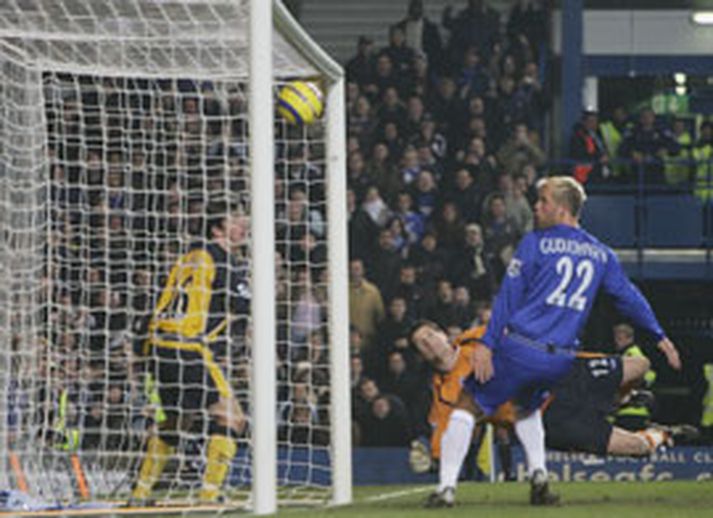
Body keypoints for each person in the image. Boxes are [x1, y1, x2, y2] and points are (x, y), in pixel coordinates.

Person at [414, 176, 681, 507]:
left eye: (542, 201)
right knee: (527, 407)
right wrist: (660, 335)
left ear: (563, 208)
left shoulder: (536, 243)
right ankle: (540, 478)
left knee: (467, 404)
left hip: (522, 346)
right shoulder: (600, 253)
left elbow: (508, 298)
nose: (536, 207)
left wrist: (487, 343)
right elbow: (629, 298)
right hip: (559, 360)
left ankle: (446, 491)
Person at [408, 321, 684, 493]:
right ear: (420, 355)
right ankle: (663, 435)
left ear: (445, 334)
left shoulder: (478, 337)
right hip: (550, 420)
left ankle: (618, 400)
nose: (429, 343)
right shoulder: (444, 395)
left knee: (640, 366)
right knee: (637, 448)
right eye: (421, 343)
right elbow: (444, 440)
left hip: (563, 376)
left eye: (431, 335)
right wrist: (431, 460)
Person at [130, 199, 248, 503]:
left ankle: (140, 492)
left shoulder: (187, 258)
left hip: (158, 346)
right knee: (232, 417)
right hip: (188, 346)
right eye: (235, 220)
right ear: (217, 228)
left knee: (177, 418)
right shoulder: (222, 260)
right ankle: (210, 496)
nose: (243, 225)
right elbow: (245, 304)